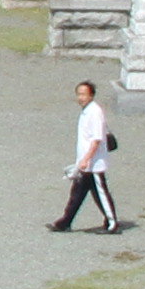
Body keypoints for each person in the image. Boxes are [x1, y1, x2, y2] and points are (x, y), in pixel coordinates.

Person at [53, 81, 122, 233]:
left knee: (101, 192)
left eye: (83, 94)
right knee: (78, 192)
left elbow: (97, 139)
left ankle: (112, 223)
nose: (80, 97)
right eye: (78, 94)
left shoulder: (95, 112)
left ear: (91, 95)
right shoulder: (87, 111)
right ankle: (65, 222)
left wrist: (86, 158)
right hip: (86, 163)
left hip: (94, 163)